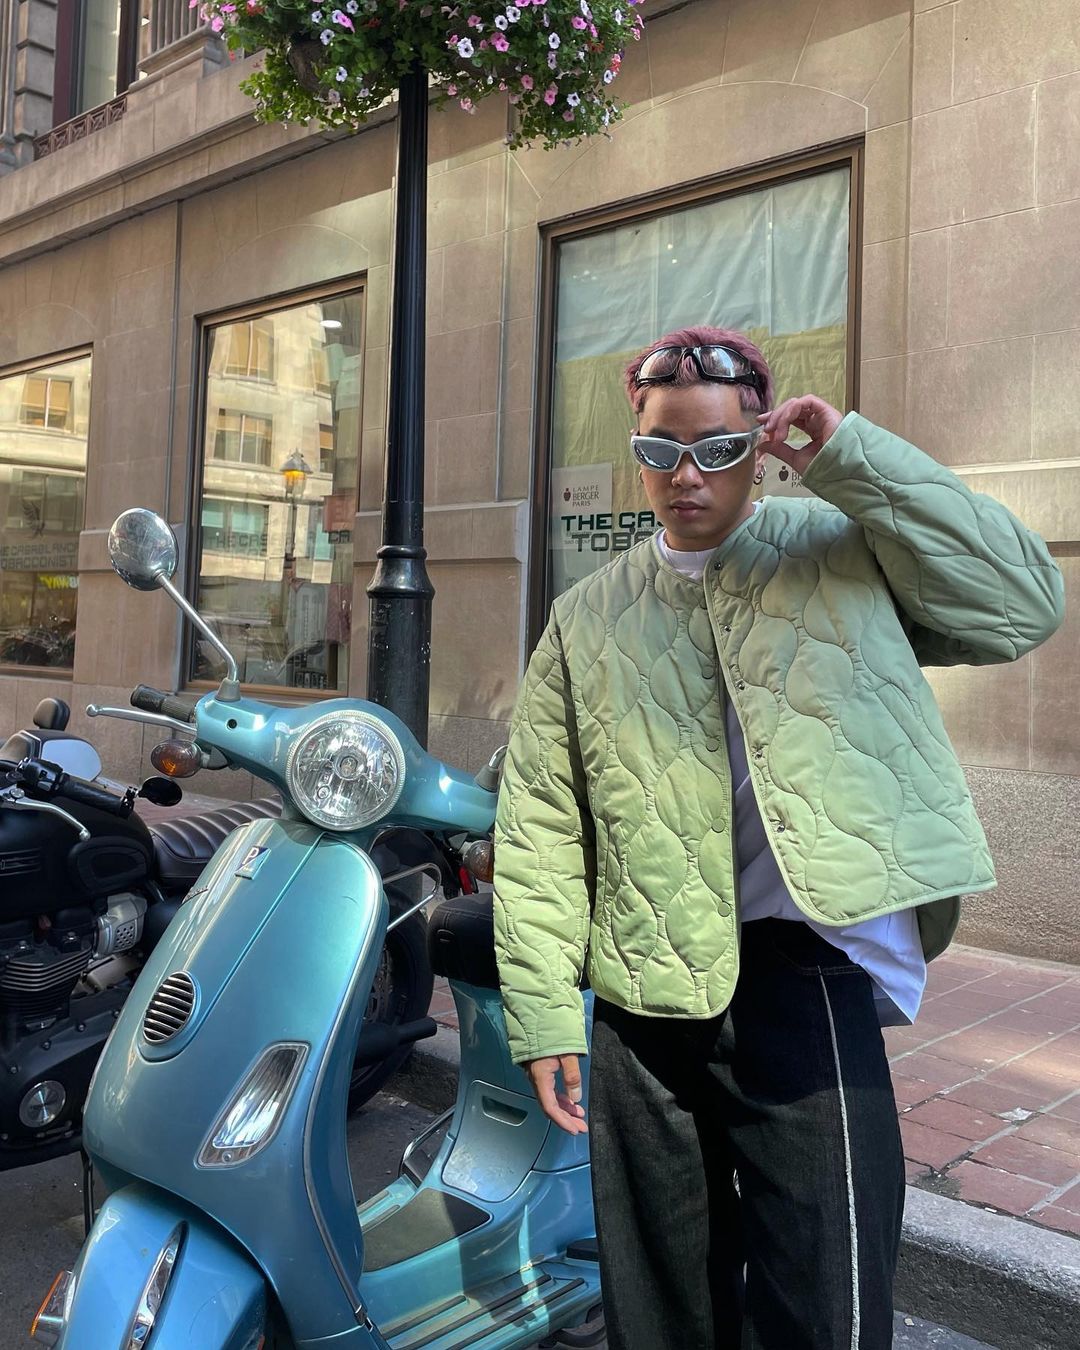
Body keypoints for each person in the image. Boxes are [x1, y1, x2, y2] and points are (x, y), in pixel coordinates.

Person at [492, 325, 1065, 1350]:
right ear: (637, 448)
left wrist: (854, 458)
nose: (687, 475)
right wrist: (541, 1016)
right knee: (661, 1301)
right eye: (662, 449)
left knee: (826, 1297)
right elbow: (542, 826)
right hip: (641, 989)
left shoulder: (838, 551)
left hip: (806, 974)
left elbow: (1020, 604)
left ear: (759, 445)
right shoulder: (585, 616)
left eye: (718, 448)